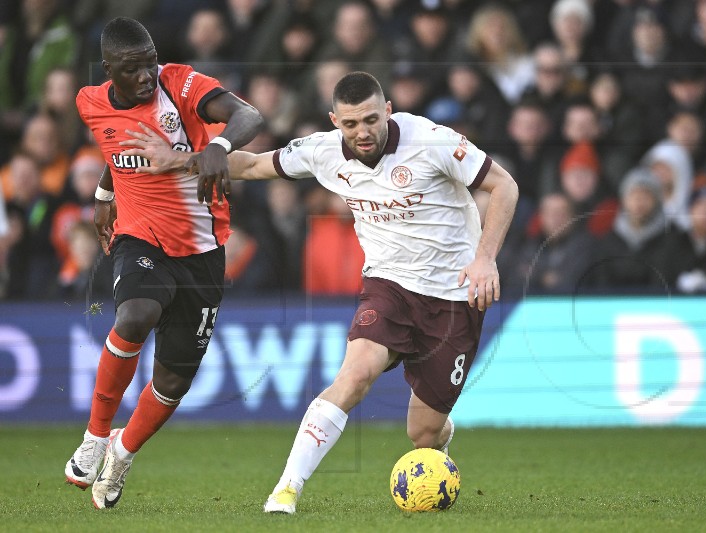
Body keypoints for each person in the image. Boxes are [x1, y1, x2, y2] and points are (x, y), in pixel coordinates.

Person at [120, 71, 519, 515]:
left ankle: (441, 441)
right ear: (335, 121)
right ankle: (286, 490)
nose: (362, 132)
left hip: (453, 295)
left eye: (371, 120)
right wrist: (179, 160)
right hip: (389, 285)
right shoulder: (322, 150)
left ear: (387, 111)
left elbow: (504, 185)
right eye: (350, 124)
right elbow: (253, 164)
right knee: (353, 376)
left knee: (423, 434)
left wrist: (485, 258)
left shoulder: (433, 141)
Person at [63, 17, 263, 510]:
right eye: (132, 69)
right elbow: (119, 147)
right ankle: (94, 436)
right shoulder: (89, 102)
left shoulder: (181, 83)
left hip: (202, 249)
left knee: (174, 380)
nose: (146, 76)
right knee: (135, 314)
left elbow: (248, 116)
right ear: (111, 70)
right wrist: (106, 192)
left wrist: (217, 146)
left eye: (150, 62)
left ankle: (122, 455)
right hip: (140, 237)